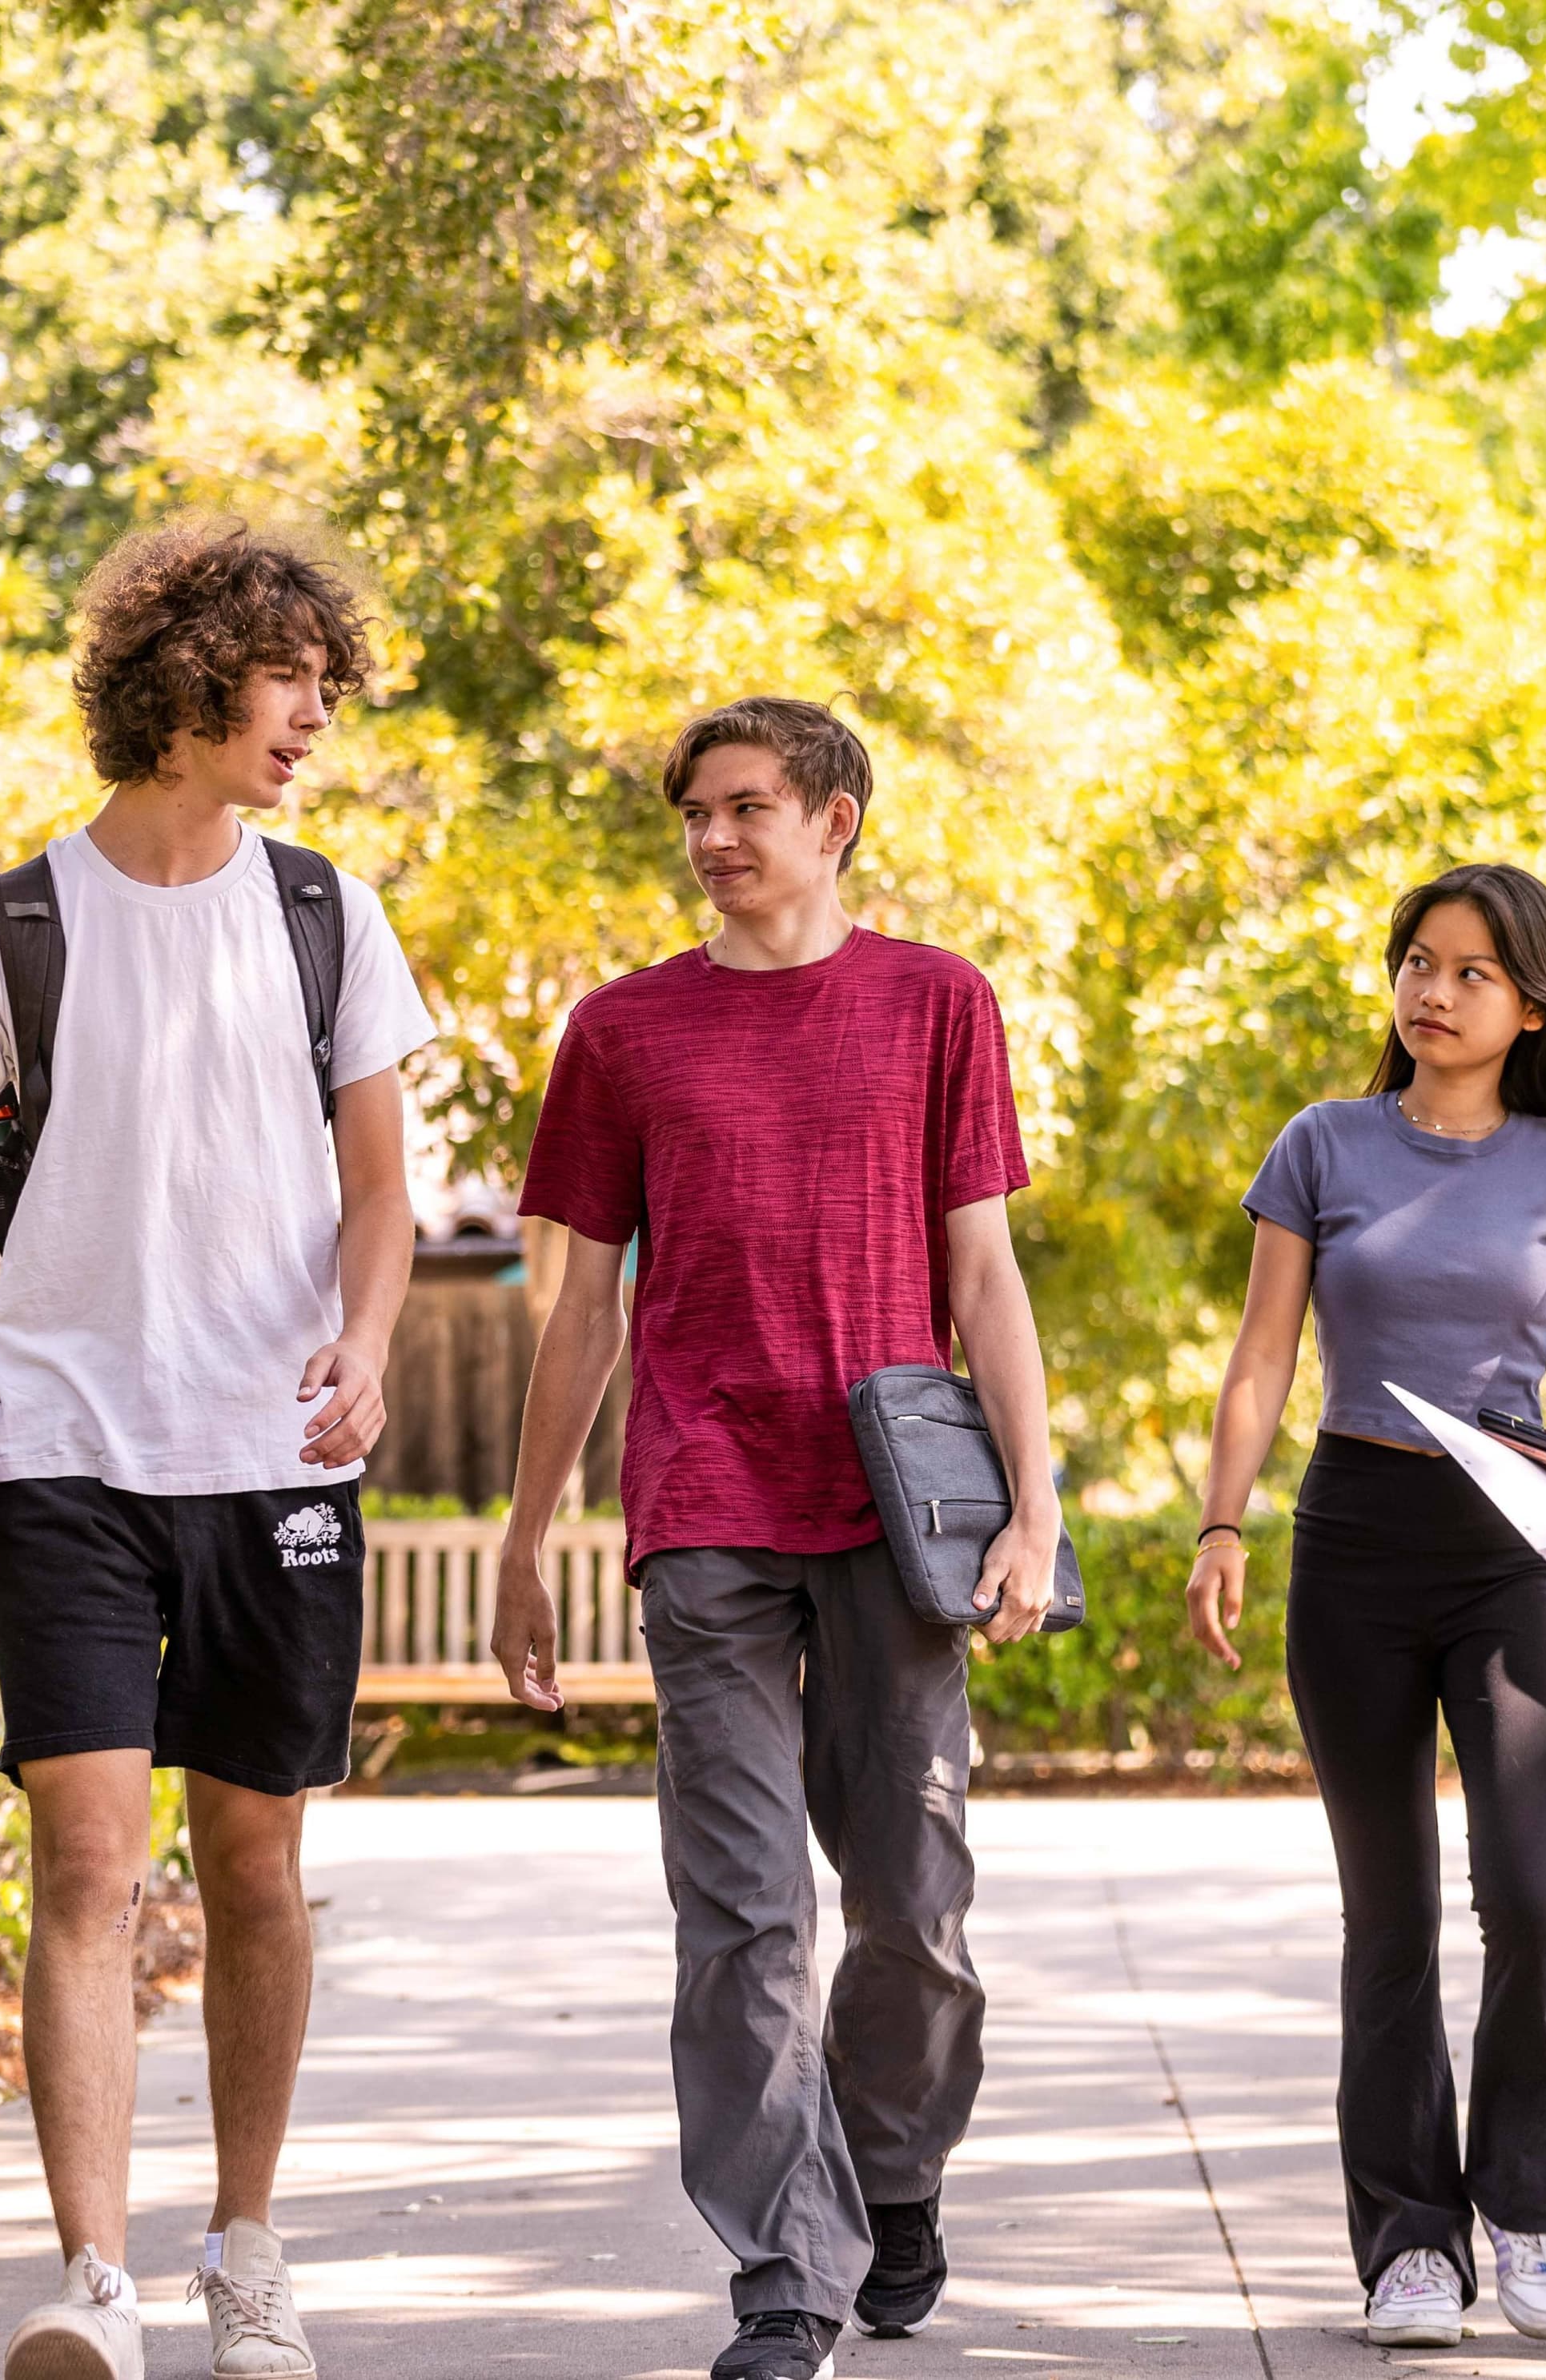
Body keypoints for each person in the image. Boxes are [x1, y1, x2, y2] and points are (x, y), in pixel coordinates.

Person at [0, 519, 432, 2380]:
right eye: (287, 681)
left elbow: (382, 1191)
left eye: (324, 687)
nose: (311, 718)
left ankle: (246, 2250)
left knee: (259, 1867)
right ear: (187, 679)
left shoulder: (324, 913)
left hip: (273, 1459)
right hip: (69, 1460)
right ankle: (93, 2278)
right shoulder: (16, 923)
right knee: (88, 1868)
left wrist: (361, 1345)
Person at [488, 696, 1062, 2380]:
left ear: (837, 821)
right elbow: (582, 1308)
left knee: (913, 1907)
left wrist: (1034, 1503)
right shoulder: (622, 1035)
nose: (716, 839)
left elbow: (983, 1276)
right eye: (697, 814)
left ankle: (892, 2173)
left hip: (896, 1513)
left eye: (749, 807)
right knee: (740, 1911)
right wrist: (533, 1530)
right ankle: (787, 2271)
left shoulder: (937, 1003)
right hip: (704, 1505)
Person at [1183, 863, 1546, 2352]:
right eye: (1417, 965)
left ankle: (1533, 2214)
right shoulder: (1324, 1144)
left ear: (1530, 1006)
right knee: (1387, 1919)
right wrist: (1220, 1522)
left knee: (1528, 1895)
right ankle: (1410, 2247)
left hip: (1510, 1545)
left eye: (1469, 974)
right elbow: (1261, 1356)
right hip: (1357, 1537)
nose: (1432, 995)